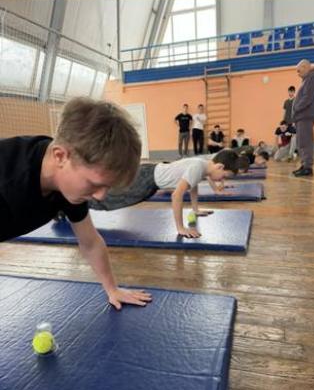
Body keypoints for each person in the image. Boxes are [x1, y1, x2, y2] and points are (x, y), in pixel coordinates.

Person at [0, 97, 152, 308]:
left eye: (106, 187)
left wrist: (112, 289)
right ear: (60, 156)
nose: (100, 196)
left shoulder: (67, 180)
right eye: (94, 184)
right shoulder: (9, 182)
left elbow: (90, 242)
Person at [89, 149, 241, 238]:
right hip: (147, 180)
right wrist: (181, 228)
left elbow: (193, 186)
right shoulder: (198, 167)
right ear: (220, 166)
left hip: (149, 173)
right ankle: (81, 202)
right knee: (114, 200)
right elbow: (177, 195)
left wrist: (195, 210)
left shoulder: (202, 165)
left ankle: (86, 192)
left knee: (114, 192)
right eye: (224, 176)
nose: (222, 180)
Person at [292, 59, 314, 177]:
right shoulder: (308, 79)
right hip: (302, 116)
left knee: (305, 142)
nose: (298, 73)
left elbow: (307, 97)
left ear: (305, 67)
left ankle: (307, 167)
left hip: (305, 115)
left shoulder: (312, 78)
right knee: (301, 142)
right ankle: (304, 164)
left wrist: (296, 108)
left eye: (299, 70)